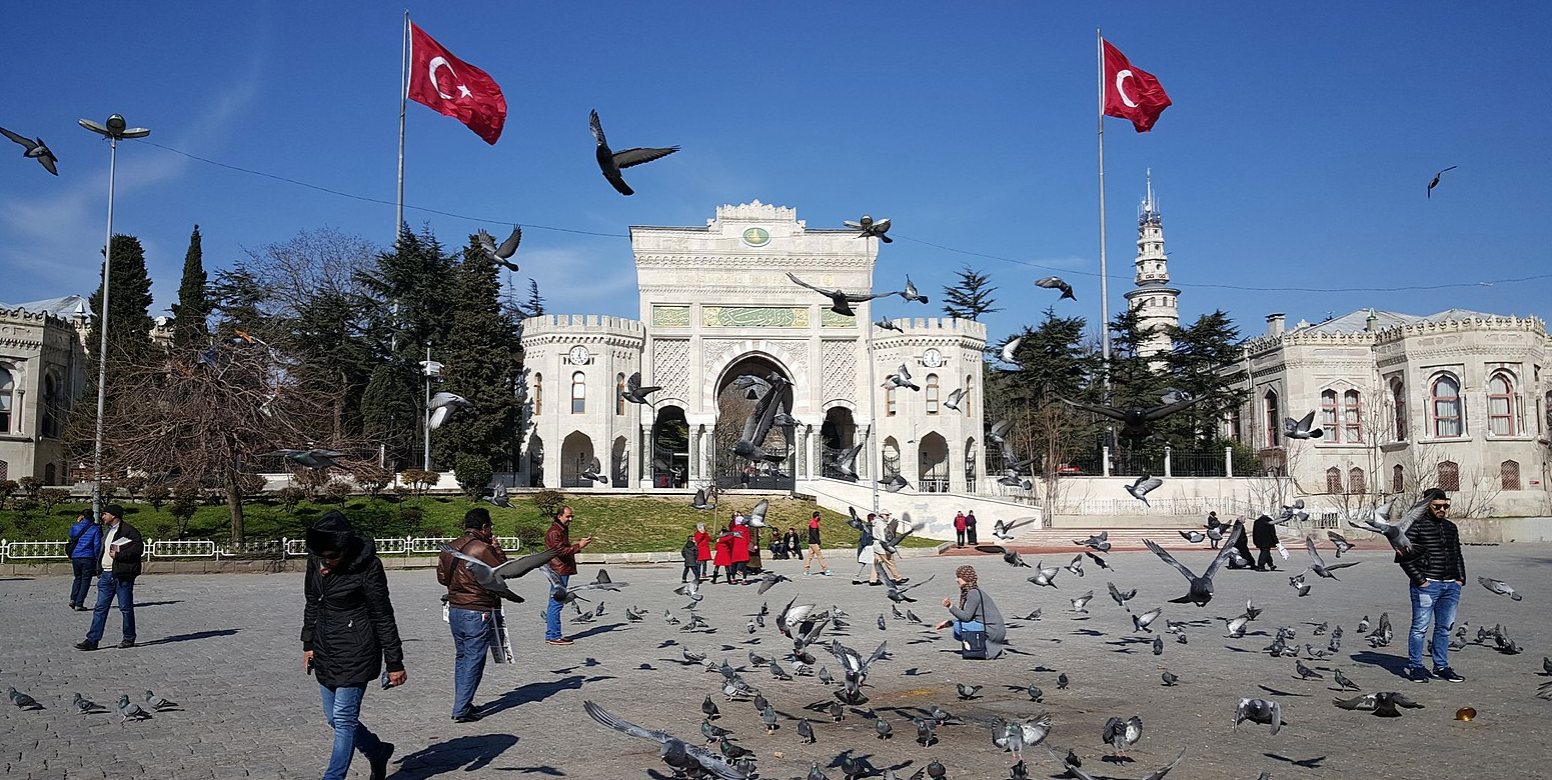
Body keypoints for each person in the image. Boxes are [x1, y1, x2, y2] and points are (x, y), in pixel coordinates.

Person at [300, 510, 404, 780]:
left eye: (332, 557)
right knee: (333, 719)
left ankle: (333, 777)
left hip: (358, 649)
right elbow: (313, 602)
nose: (325, 564)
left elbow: (383, 614)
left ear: (345, 550)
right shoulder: (317, 559)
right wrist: (308, 644)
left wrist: (395, 662)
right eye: (321, 557)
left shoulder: (368, 566)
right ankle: (378, 750)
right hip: (324, 646)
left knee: (344, 719)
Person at [437, 508, 515, 722]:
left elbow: (442, 578)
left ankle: (463, 702)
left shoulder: (449, 547)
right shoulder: (482, 548)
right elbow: (503, 574)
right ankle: (461, 708)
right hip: (477, 610)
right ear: (484, 527)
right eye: (490, 527)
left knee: (462, 657)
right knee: (474, 659)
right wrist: (498, 551)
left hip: (455, 610)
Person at [1397, 488, 1467, 684]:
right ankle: (1416, 667)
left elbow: (1457, 553)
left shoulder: (1451, 527)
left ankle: (1441, 667)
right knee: (1420, 628)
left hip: (1451, 585)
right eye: (1437, 506)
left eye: (1445, 506)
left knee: (1445, 628)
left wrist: (1460, 578)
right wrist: (1421, 580)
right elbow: (1404, 557)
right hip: (1428, 585)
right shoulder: (1415, 528)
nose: (1442, 509)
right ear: (1427, 506)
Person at [75, 504, 143, 651]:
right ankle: (92, 639)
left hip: (122, 575)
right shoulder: (108, 531)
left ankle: (129, 638)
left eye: (105, 513)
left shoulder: (128, 530)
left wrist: (119, 555)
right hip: (106, 575)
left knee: (125, 608)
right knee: (100, 608)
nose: (103, 516)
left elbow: (138, 549)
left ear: (113, 515)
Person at [543, 505, 594, 646]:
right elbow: (560, 551)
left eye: (572, 516)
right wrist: (579, 546)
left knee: (556, 602)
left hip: (561, 569)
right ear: (559, 516)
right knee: (556, 603)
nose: (570, 519)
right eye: (568, 516)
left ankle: (553, 634)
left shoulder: (561, 529)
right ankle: (553, 635)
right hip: (558, 571)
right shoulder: (555, 532)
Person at [934, 564, 1006, 659]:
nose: (956, 580)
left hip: (991, 630)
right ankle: (981, 646)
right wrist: (948, 623)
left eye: (958, 577)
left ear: (965, 578)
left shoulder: (973, 593)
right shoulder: (976, 591)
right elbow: (969, 617)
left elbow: (966, 617)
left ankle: (979, 646)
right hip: (996, 629)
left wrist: (950, 606)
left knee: (957, 628)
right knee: (958, 625)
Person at [66, 512, 102, 611]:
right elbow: (97, 544)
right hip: (88, 556)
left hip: (75, 555)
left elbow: (71, 535)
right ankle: (79, 603)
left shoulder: (75, 526)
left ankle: (73, 598)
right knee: (86, 580)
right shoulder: (96, 528)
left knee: (77, 578)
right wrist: (97, 558)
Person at [868, 512, 906, 585]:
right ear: (882, 515)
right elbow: (883, 536)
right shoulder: (882, 524)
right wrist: (887, 545)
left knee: (877, 563)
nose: (888, 517)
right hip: (883, 547)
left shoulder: (875, 522)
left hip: (876, 546)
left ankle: (873, 580)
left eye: (888, 515)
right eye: (887, 515)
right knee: (891, 563)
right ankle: (898, 578)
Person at [853, 514, 877, 585]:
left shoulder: (867, 526)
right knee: (876, 562)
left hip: (866, 547)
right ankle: (874, 579)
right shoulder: (871, 527)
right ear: (873, 519)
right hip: (869, 546)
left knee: (862, 562)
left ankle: (855, 578)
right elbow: (868, 538)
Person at [729, 516, 752, 584]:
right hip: (743, 548)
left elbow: (731, 540)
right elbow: (748, 540)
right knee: (744, 564)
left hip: (735, 548)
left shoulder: (734, 530)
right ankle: (744, 579)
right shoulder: (745, 530)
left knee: (734, 564)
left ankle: (733, 578)